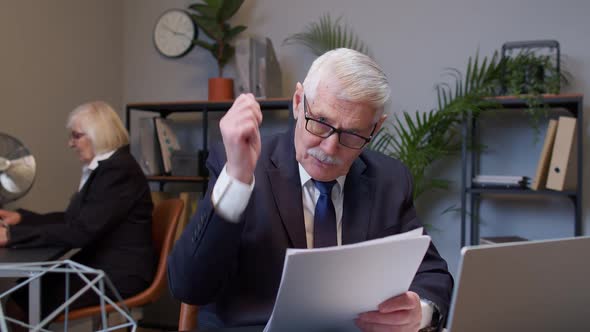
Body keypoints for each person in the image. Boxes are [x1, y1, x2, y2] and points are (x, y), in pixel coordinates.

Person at [168, 48, 453, 331]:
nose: (329, 148)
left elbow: (432, 274)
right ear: (297, 101)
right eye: (320, 122)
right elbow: (189, 286)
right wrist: (236, 180)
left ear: (375, 129)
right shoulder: (242, 164)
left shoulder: (388, 180)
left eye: (352, 134)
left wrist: (420, 311)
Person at [0, 101, 155, 320]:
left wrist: (11, 235)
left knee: (20, 304)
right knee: (22, 294)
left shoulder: (117, 171)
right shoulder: (109, 168)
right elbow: (72, 220)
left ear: (97, 135)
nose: (70, 143)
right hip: (104, 266)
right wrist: (21, 219)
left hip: (118, 273)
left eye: (76, 135)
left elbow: (80, 231)